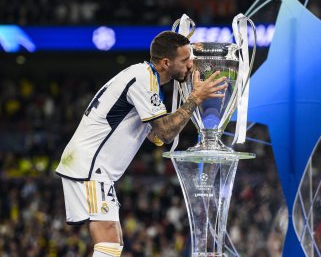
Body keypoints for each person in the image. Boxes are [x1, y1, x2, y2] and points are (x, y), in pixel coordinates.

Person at [55, 31, 227, 257]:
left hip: (92, 165)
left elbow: (156, 136)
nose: (191, 65)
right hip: (91, 165)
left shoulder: (146, 78)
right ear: (166, 62)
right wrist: (195, 98)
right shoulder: (144, 79)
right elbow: (165, 132)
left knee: (112, 242)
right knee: (108, 240)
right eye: (185, 60)